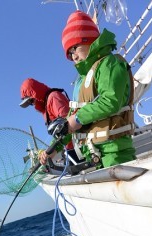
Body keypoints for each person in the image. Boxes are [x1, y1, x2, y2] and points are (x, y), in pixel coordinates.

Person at [48, 10, 136, 168]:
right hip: (94, 152)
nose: (73, 56)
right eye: (69, 53)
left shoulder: (109, 63)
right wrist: (54, 148)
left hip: (115, 152)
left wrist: (77, 118)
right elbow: (71, 119)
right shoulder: (81, 81)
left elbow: (111, 101)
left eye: (74, 48)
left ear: (89, 40)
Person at [19, 78, 83, 165]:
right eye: (30, 103)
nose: (32, 104)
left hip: (76, 148)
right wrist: (51, 150)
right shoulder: (46, 106)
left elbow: (67, 125)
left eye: (31, 100)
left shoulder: (54, 98)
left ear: (36, 94)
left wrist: (52, 150)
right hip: (67, 148)